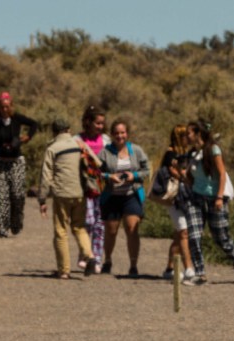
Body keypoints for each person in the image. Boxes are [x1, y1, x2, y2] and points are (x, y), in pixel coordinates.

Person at [184, 120, 234, 285]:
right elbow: (189, 176)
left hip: (215, 198)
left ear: (198, 134)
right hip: (196, 197)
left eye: (189, 133)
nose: (186, 136)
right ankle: (200, 274)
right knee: (194, 235)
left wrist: (219, 197)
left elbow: (222, 174)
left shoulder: (213, 149)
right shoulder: (192, 153)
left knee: (221, 238)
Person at [38, 118, 96, 280]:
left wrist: (42, 199)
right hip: (80, 193)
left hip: (61, 194)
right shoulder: (79, 144)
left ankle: (64, 270)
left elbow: (46, 175)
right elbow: (96, 162)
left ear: (54, 132)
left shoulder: (53, 148)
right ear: (69, 130)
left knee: (61, 231)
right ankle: (89, 255)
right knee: (79, 227)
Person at [97, 118, 151, 277]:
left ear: (127, 133)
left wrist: (134, 175)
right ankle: (107, 260)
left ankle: (133, 265)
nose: (120, 136)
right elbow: (95, 172)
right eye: (116, 133)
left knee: (132, 229)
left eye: (123, 132)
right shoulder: (105, 152)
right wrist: (109, 176)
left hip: (132, 194)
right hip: (112, 196)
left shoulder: (136, 150)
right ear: (112, 135)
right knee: (111, 231)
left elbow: (147, 170)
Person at [0, 92, 39, 238]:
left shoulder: (17, 118)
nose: (4, 110)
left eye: (7, 107)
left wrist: (27, 137)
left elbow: (34, 124)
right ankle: (3, 228)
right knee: (2, 196)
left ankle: (16, 222)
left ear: (11, 106)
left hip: (16, 161)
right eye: (1, 107)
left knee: (17, 194)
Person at [74, 105, 110, 274]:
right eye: (97, 123)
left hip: (102, 187)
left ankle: (96, 258)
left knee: (100, 224)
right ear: (88, 122)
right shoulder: (77, 139)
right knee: (87, 222)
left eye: (102, 123)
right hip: (84, 187)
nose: (100, 127)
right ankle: (85, 254)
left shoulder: (106, 140)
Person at [159, 125, 194, 281]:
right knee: (183, 231)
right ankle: (189, 268)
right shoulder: (170, 154)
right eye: (186, 135)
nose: (189, 137)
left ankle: (169, 269)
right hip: (174, 199)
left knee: (178, 236)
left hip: (186, 198)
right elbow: (176, 172)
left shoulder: (187, 153)